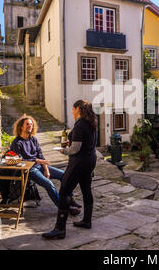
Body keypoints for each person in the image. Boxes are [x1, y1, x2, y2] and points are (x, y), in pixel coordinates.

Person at [42, 100, 98, 240]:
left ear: (78, 109)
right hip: (90, 160)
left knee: (64, 191)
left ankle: (60, 229)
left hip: (79, 162)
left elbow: (75, 149)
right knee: (86, 189)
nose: (72, 112)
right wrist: (71, 142)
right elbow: (83, 142)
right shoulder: (91, 123)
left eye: (73, 109)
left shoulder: (79, 125)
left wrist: (63, 150)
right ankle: (87, 221)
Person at [7, 115, 81, 215]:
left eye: (31, 124)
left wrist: (46, 168)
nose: (30, 126)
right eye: (27, 124)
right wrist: (38, 161)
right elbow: (19, 160)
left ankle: (70, 199)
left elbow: (41, 156)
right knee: (49, 184)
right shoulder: (16, 142)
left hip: (40, 166)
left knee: (65, 175)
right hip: (29, 170)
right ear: (21, 127)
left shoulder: (33, 140)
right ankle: (64, 208)